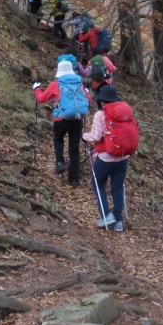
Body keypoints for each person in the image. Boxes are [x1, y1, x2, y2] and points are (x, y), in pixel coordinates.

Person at [82, 85, 138, 233]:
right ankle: (118, 221)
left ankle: (107, 215)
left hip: (106, 157)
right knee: (117, 187)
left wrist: (84, 136)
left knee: (97, 183)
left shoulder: (101, 115)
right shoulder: (126, 112)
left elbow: (96, 137)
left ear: (102, 100)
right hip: (123, 157)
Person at [33, 60, 94, 187]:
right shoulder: (80, 84)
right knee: (74, 150)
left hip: (61, 120)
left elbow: (41, 99)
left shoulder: (56, 84)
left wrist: (36, 89)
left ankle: (60, 163)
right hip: (77, 120)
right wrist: (87, 92)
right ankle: (74, 180)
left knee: (58, 139)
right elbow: (89, 101)